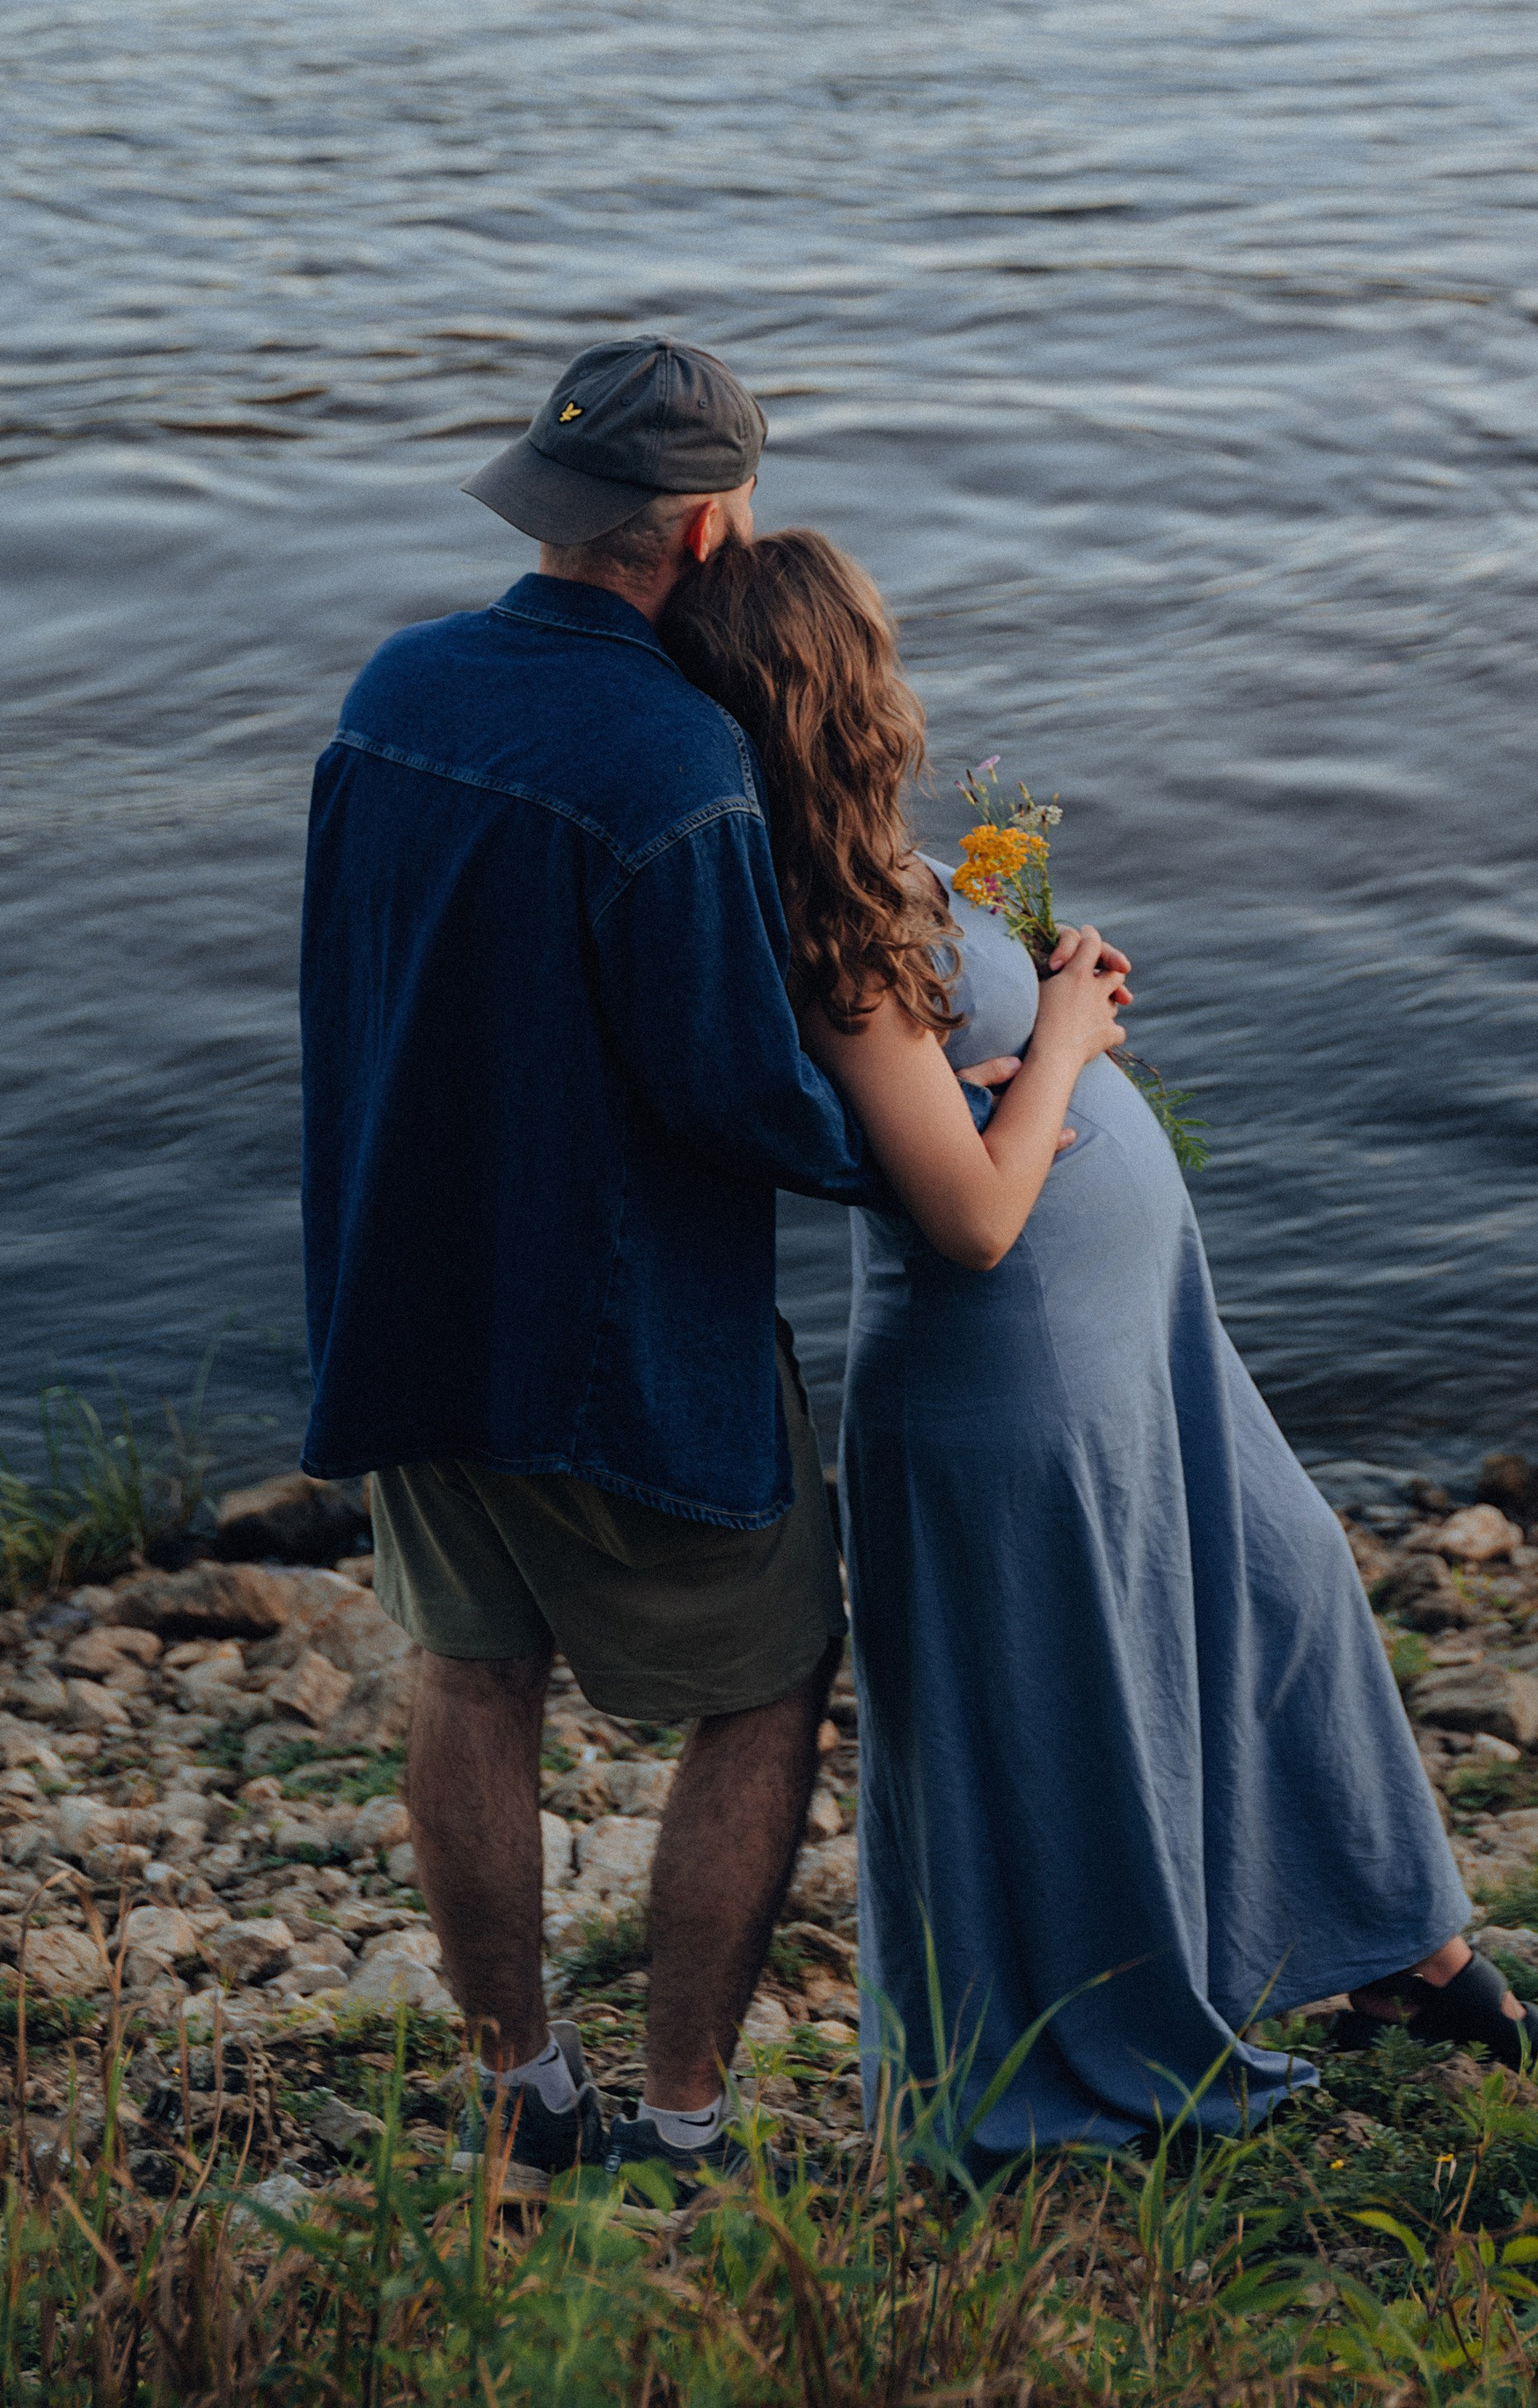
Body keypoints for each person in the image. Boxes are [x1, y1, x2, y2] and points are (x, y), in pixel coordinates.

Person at [660, 529, 1538, 2165]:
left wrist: (1048, 975)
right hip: (1012, 1379)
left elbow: (969, 1084)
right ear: (840, 693)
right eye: (879, 653)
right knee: (1074, 1720)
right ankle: (1099, 2051)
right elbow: (969, 1219)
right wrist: (1067, 1040)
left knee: (1280, 1585)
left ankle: (1396, 1953)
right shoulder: (825, 928)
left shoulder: (877, 876)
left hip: (1131, 1345)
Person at [299, 338, 875, 2200]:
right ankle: (687, 2117)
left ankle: (524, 2080)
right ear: (705, 526)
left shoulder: (392, 688)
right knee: (766, 1677)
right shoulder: (676, 760)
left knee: (471, 1668)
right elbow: (740, 1098)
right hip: (614, 1337)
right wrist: (972, 1124)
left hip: (406, 1296)